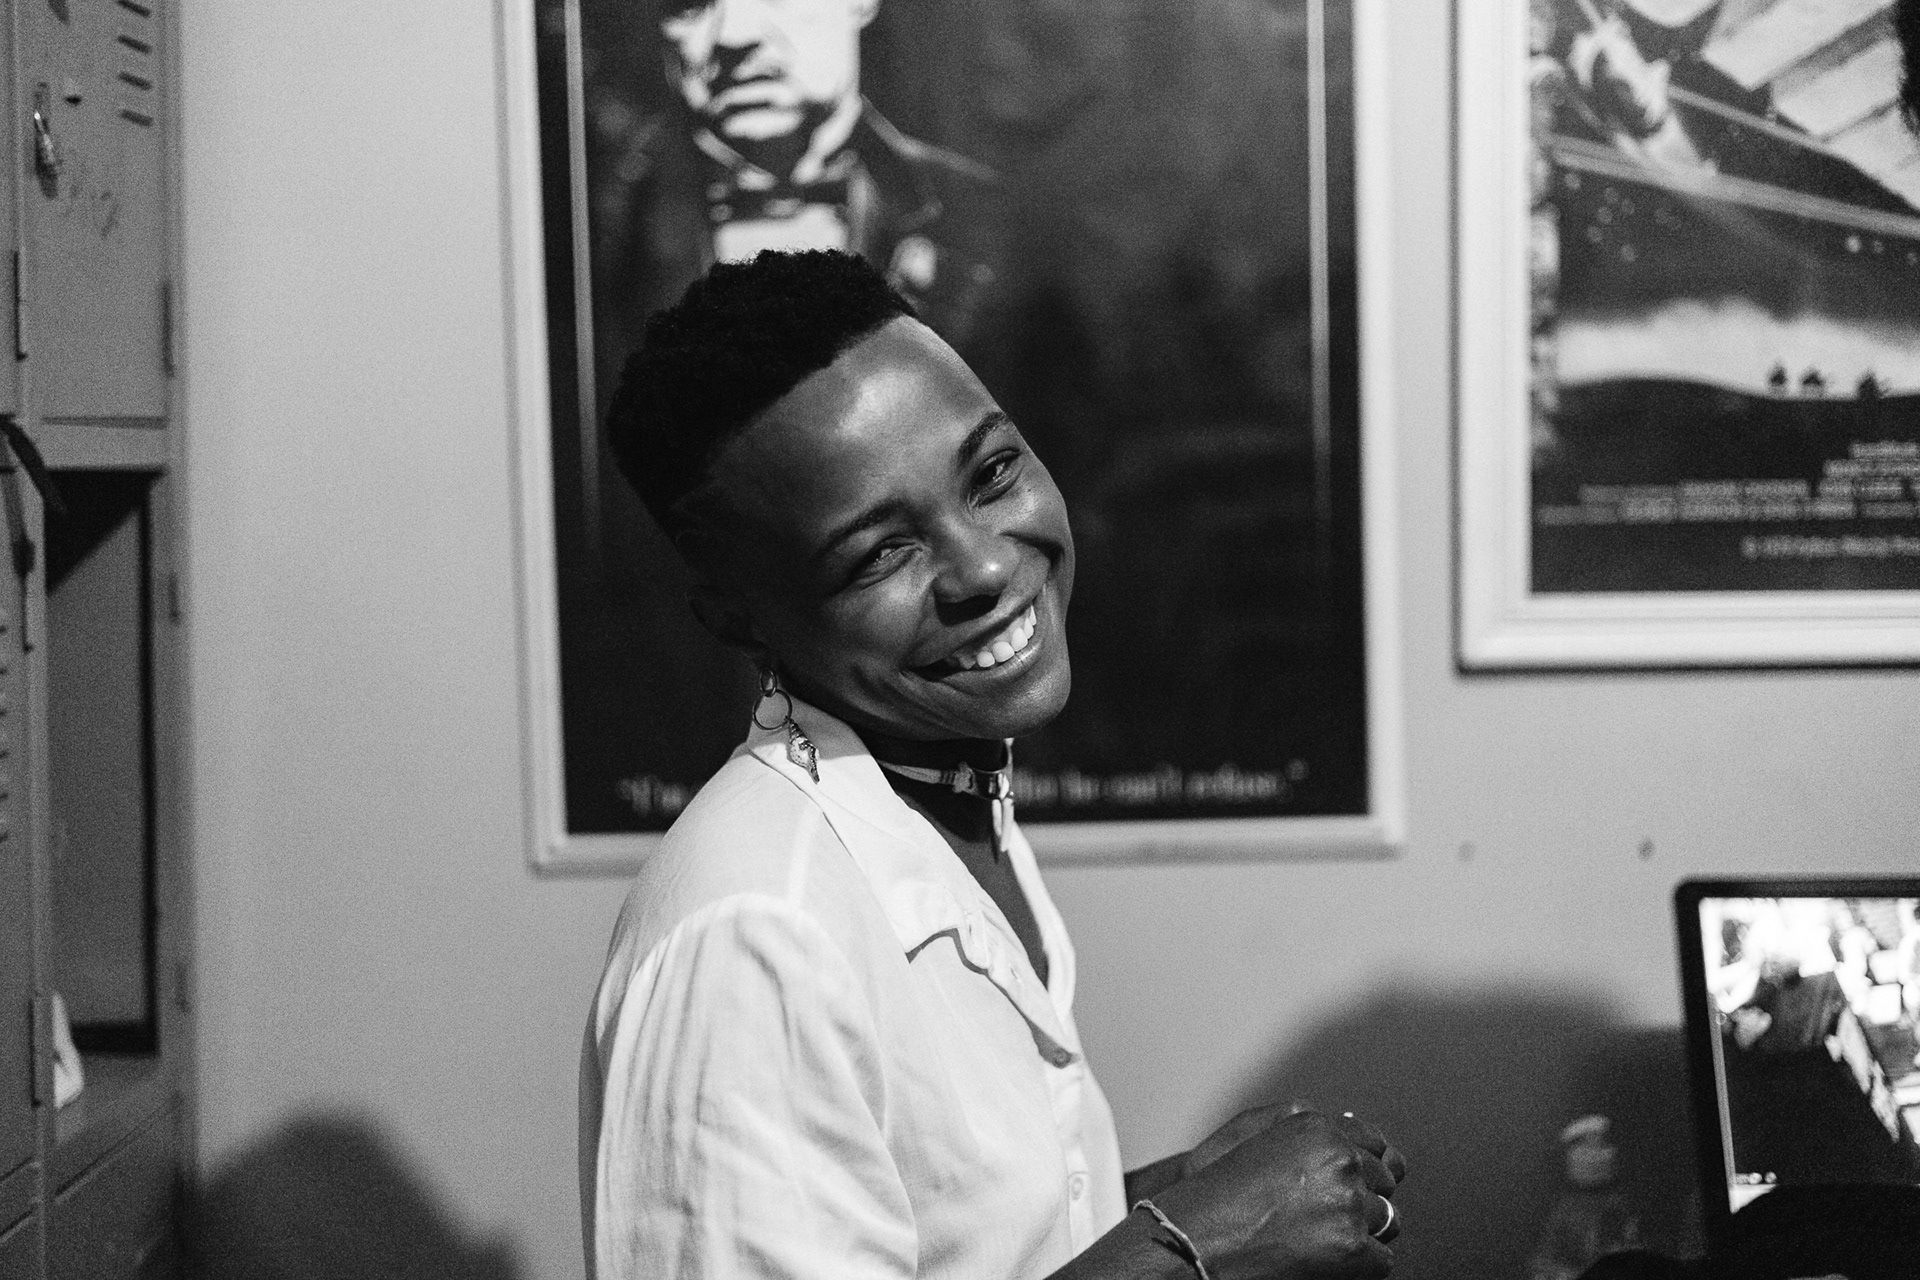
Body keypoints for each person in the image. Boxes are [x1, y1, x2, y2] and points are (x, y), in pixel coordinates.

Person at [577, 249, 1408, 1280]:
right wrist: (1199, 1241)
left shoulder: (945, 791)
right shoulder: (755, 938)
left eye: (992, 473)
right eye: (879, 553)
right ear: (737, 619)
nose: (982, 564)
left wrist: (1178, 1188)